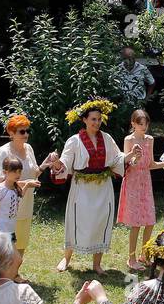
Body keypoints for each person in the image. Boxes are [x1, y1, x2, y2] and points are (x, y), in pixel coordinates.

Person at [52, 99, 127, 273]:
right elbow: (65, 163)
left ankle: (96, 264)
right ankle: (66, 258)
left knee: (101, 221)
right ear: (84, 120)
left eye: (99, 119)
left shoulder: (107, 138)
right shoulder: (74, 140)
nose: (97, 122)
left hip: (103, 187)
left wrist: (130, 156)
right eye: (93, 119)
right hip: (82, 187)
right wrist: (56, 164)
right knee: (75, 221)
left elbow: (117, 159)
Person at [0, 114, 57, 262]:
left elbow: (34, 173)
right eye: (22, 132)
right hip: (8, 202)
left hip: (26, 199)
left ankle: (15, 272)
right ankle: (4, 273)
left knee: (22, 238)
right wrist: (25, 183)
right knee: (7, 239)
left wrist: (45, 165)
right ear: (11, 133)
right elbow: (0, 179)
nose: (26, 134)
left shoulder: (28, 149)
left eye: (27, 131)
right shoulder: (4, 152)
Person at [118, 109, 160, 270]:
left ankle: (145, 255)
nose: (144, 126)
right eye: (140, 123)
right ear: (133, 124)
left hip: (146, 182)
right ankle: (131, 258)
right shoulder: (129, 139)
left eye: (146, 123)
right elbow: (128, 164)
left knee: (149, 221)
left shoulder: (150, 139)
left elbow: (151, 164)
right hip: (133, 182)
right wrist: (135, 158)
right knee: (136, 223)